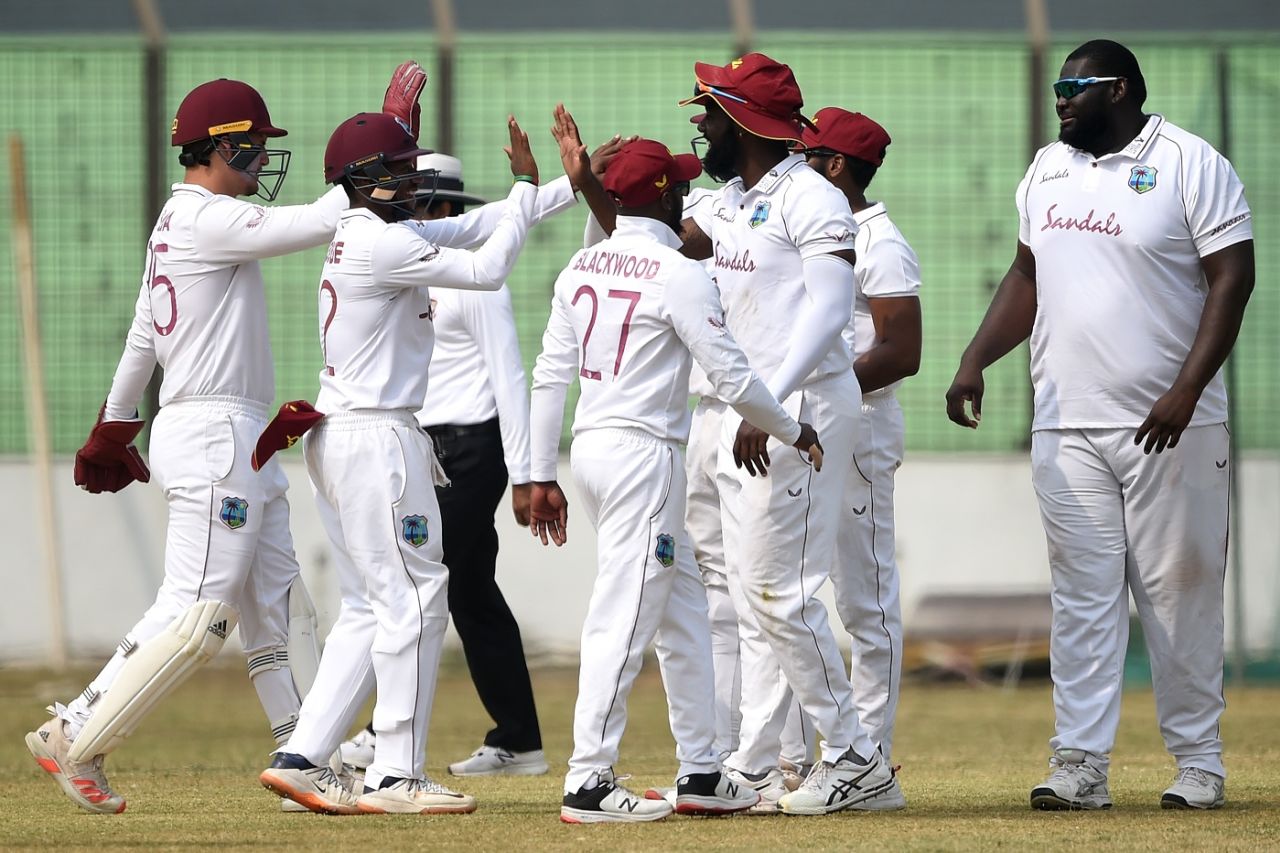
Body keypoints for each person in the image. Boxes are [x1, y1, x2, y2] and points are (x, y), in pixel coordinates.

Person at [23, 78, 350, 816]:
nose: (266, 156)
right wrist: (375, 153)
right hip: (213, 434)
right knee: (198, 614)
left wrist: (114, 419)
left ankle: (306, 758)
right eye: (257, 145)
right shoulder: (206, 217)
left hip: (234, 433)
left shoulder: (177, 220)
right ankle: (74, 731)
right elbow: (311, 222)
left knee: (280, 606)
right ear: (222, 146)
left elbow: (144, 330)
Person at [945, 39, 1254, 811]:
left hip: (1171, 426)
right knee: (1082, 599)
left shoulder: (1190, 162)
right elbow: (1027, 273)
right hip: (1065, 423)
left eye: (1071, 88)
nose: (1059, 101)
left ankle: (1198, 763)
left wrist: (1189, 387)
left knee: (1178, 594)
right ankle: (1079, 764)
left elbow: (1233, 276)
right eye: (1056, 89)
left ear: (1117, 89)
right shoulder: (1048, 167)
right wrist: (976, 357)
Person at [255, 110, 547, 816]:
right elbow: (489, 262)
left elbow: (474, 227)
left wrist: (565, 185)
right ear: (363, 181)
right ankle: (397, 773)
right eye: (398, 170)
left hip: (347, 436)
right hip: (379, 440)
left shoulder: (365, 232)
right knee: (417, 598)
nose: (411, 180)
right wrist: (527, 183)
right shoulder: (382, 245)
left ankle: (302, 759)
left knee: (367, 606)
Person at [529, 138, 824, 823]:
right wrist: (792, 427)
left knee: (684, 606)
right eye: (679, 188)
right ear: (664, 197)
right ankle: (588, 779)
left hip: (594, 451)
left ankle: (701, 769)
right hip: (646, 456)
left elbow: (548, 375)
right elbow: (730, 374)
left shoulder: (580, 266)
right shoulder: (677, 271)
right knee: (624, 612)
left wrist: (540, 470)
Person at [678, 53, 902, 814]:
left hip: (803, 409)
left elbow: (830, 311)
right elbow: (662, 246)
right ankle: (755, 763)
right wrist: (584, 187)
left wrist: (768, 404)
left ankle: (855, 761)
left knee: (785, 591)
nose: (698, 121)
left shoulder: (812, 197)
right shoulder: (735, 198)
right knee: (755, 593)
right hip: (762, 411)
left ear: (741, 119)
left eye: (707, 108)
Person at [339, 152, 549, 778]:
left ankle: (385, 733)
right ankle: (520, 741)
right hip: (426, 447)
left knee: (416, 579)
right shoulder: (402, 266)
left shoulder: (474, 282)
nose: (405, 214)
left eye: (416, 204)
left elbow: (511, 376)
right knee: (471, 592)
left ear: (445, 210)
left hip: (472, 447)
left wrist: (524, 472)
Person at [782, 107, 922, 773]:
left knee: (864, 598)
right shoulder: (808, 226)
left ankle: (870, 752)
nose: (795, 163)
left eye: (809, 155)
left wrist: (827, 389)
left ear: (838, 166)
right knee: (791, 587)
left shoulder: (879, 240)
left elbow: (902, 349)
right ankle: (790, 753)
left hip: (858, 429)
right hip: (804, 426)